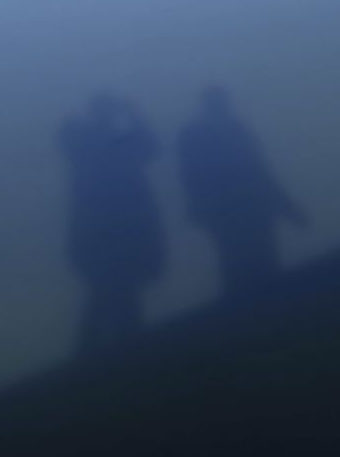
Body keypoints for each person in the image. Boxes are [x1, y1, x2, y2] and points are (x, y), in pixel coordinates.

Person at [176, 87, 307, 298]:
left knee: (253, 264)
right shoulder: (217, 132)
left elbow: (259, 170)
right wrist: (288, 208)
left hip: (245, 210)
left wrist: (288, 208)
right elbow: (191, 177)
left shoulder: (227, 131)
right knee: (242, 265)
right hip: (232, 212)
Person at [59, 94, 166, 351]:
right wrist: (134, 114)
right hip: (107, 227)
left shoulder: (107, 141)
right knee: (113, 286)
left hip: (116, 225)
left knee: (115, 286)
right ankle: (114, 344)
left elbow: (151, 148)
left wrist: (134, 115)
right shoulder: (94, 142)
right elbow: (150, 147)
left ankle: (111, 345)